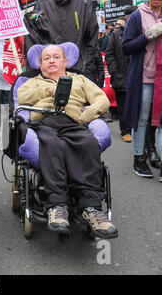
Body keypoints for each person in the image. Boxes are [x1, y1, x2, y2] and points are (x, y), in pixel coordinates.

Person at [17, 44, 118, 239]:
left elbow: (102, 100)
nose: (52, 60)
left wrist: (87, 115)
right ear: (39, 64)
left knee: (88, 143)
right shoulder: (32, 82)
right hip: (45, 122)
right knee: (52, 145)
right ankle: (57, 204)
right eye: (46, 58)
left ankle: (91, 208)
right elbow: (23, 97)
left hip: (75, 122)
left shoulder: (79, 79)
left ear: (66, 61)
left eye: (56, 57)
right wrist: (49, 92)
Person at [122, 0, 162, 183]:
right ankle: (140, 159)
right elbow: (126, 47)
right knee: (143, 119)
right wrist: (148, 35)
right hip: (144, 78)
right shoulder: (138, 16)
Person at [23, 0, 99, 82]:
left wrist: (85, 69)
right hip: (49, 75)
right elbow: (35, 39)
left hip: (78, 73)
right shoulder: (42, 5)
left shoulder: (84, 3)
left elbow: (92, 41)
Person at [105, 16, 131, 142]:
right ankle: (125, 131)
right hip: (121, 76)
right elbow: (109, 54)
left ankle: (136, 131)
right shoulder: (116, 35)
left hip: (137, 76)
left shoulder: (141, 31)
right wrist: (114, 71)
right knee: (123, 105)